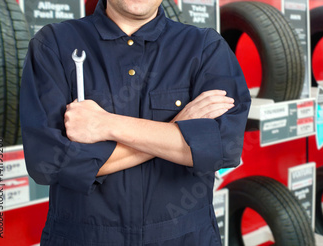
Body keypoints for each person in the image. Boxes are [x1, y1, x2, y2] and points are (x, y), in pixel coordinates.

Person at [19, 0, 251, 244]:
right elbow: (48, 162)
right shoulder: (54, 44)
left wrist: (106, 124)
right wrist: (178, 128)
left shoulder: (205, 48)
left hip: (185, 237)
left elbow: (223, 147)